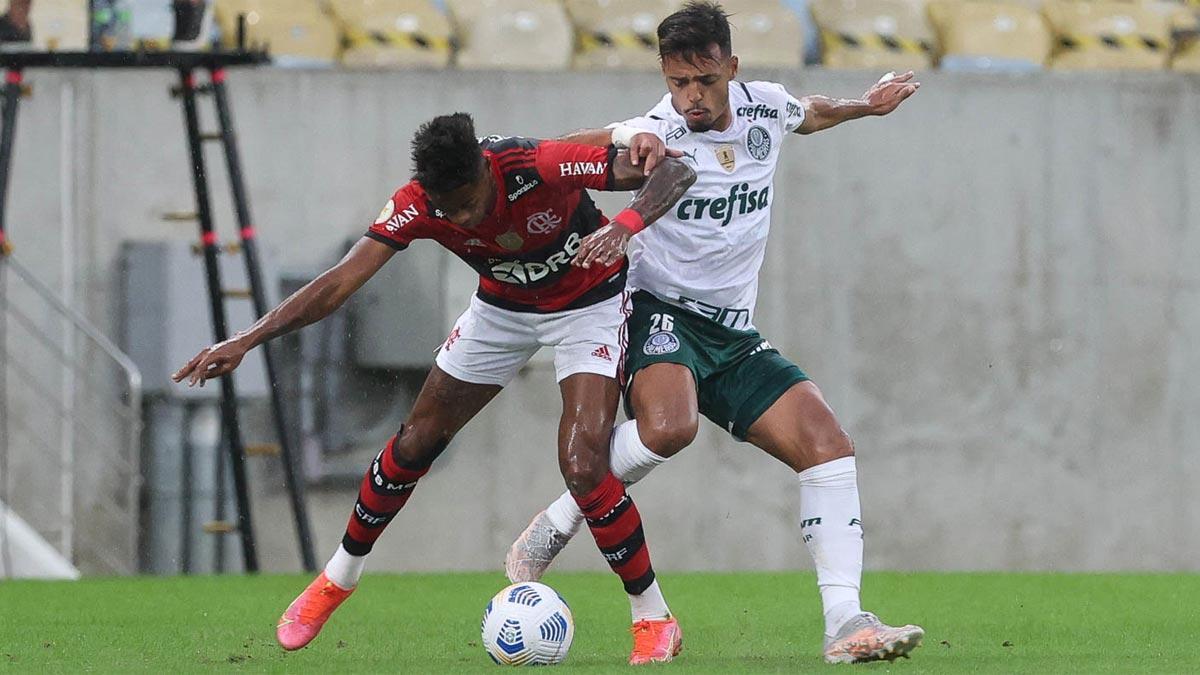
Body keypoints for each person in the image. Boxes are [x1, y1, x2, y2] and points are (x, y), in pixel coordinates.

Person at [172, 112, 696, 664]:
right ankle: (337, 578)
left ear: (484, 170)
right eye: (450, 210)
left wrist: (624, 227)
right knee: (416, 441)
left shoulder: (535, 165)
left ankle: (652, 616)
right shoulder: (418, 203)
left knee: (584, 463)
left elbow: (675, 174)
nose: (464, 217)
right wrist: (247, 339)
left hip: (588, 305)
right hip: (503, 312)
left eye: (470, 202)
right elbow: (340, 282)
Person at [505, 1, 924, 665]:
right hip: (656, 309)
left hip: (732, 333)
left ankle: (845, 619)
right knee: (671, 426)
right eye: (678, 83)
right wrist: (518, 162)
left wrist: (865, 106)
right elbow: (596, 141)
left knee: (829, 445)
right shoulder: (657, 130)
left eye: (704, 80)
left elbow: (809, 112)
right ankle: (564, 516)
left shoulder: (766, 108)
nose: (691, 98)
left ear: (731, 67)